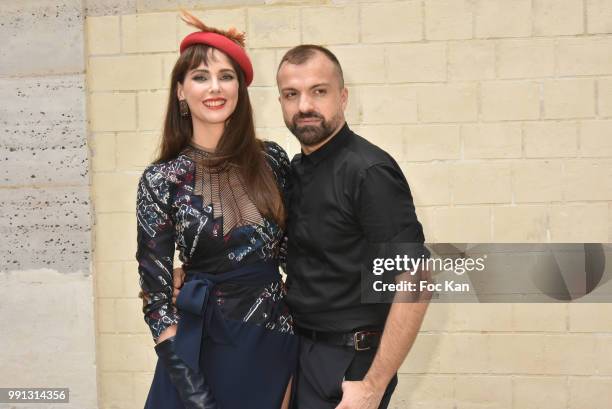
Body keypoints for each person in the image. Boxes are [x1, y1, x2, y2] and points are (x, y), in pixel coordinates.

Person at [135, 11, 297, 409]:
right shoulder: (161, 180)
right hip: (199, 348)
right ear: (180, 90)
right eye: (201, 76)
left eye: (226, 76)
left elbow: (297, 253)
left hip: (272, 340)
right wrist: (193, 391)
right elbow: (156, 301)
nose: (215, 87)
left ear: (240, 89)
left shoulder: (272, 159)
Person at [276, 45, 431, 409]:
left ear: (342, 97)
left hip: (349, 363)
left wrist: (373, 385)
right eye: (291, 94)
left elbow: (418, 280)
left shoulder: (368, 172)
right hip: (300, 353)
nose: (304, 107)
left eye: (319, 91)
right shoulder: (297, 170)